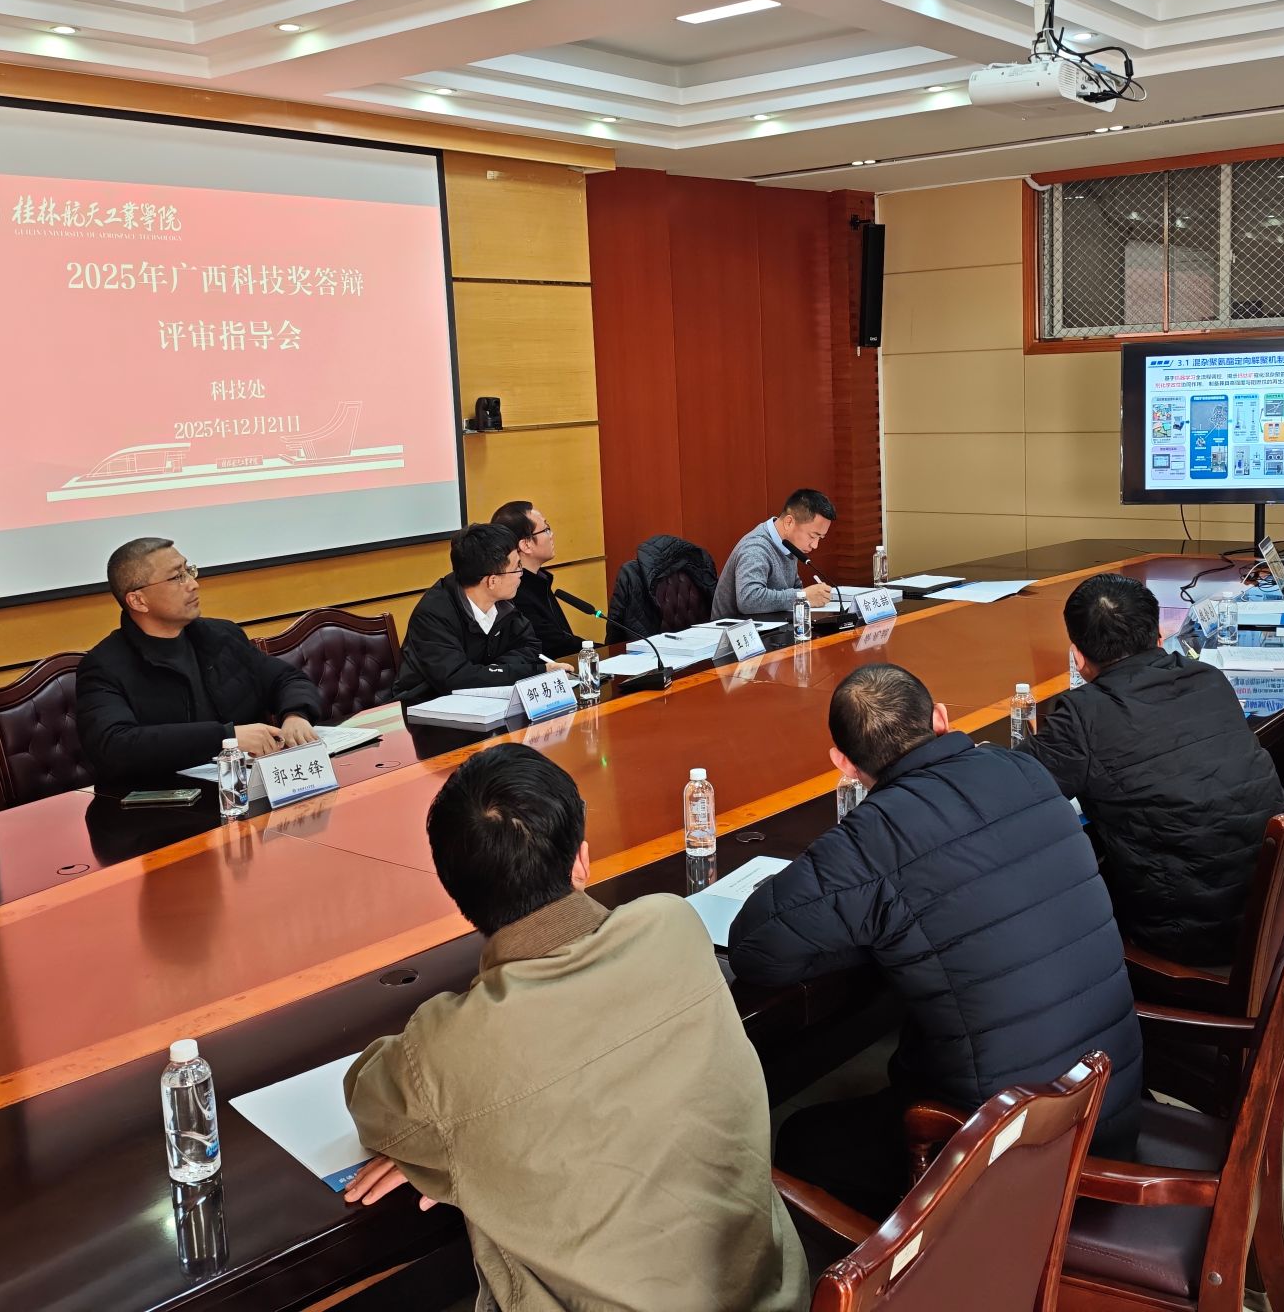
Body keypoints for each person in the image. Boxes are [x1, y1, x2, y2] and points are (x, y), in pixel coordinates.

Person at [343, 745, 809, 1312]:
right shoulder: (672, 923)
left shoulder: (446, 1050)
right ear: (582, 859)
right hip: (775, 1293)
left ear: (455, 892)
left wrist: (434, 1137)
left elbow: (369, 1098)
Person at [728, 663, 1143, 1217]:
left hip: (1013, 1153)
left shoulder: (870, 841)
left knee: (801, 1136)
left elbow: (754, 947)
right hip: (1114, 1101)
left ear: (843, 764)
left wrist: (877, 935)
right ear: (941, 719)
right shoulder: (1023, 770)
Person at [1033, 573, 1284, 968]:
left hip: (1184, 936)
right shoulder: (1209, 678)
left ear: (1077, 657)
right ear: (1158, 637)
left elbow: (1016, 789)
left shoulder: (1084, 714)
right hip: (1273, 910)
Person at [76, 537, 324, 789]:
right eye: (177, 577)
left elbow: (287, 678)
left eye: (189, 571)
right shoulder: (104, 667)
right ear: (138, 601)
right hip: (167, 801)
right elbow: (115, 746)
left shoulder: (220, 636)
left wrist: (296, 715)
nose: (193, 584)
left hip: (249, 787)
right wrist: (227, 738)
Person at [392, 523, 546, 703]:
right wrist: (518, 672)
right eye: (517, 566)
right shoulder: (433, 614)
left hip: (484, 702)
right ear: (492, 581)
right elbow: (456, 679)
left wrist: (494, 671)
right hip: (425, 707)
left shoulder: (502, 603)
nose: (521, 573)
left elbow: (530, 646)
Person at [711, 489, 836, 619]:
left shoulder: (788, 544)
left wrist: (815, 596)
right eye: (813, 536)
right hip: (737, 630)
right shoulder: (755, 548)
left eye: (820, 538)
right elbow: (748, 600)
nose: (815, 545)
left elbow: (794, 588)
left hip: (772, 625)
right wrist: (803, 596)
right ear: (789, 522)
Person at [491, 500, 580, 660]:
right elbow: (554, 645)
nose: (551, 535)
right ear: (526, 545)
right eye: (546, 529)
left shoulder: (539, 580)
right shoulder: (514, 592)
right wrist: (606, 651)